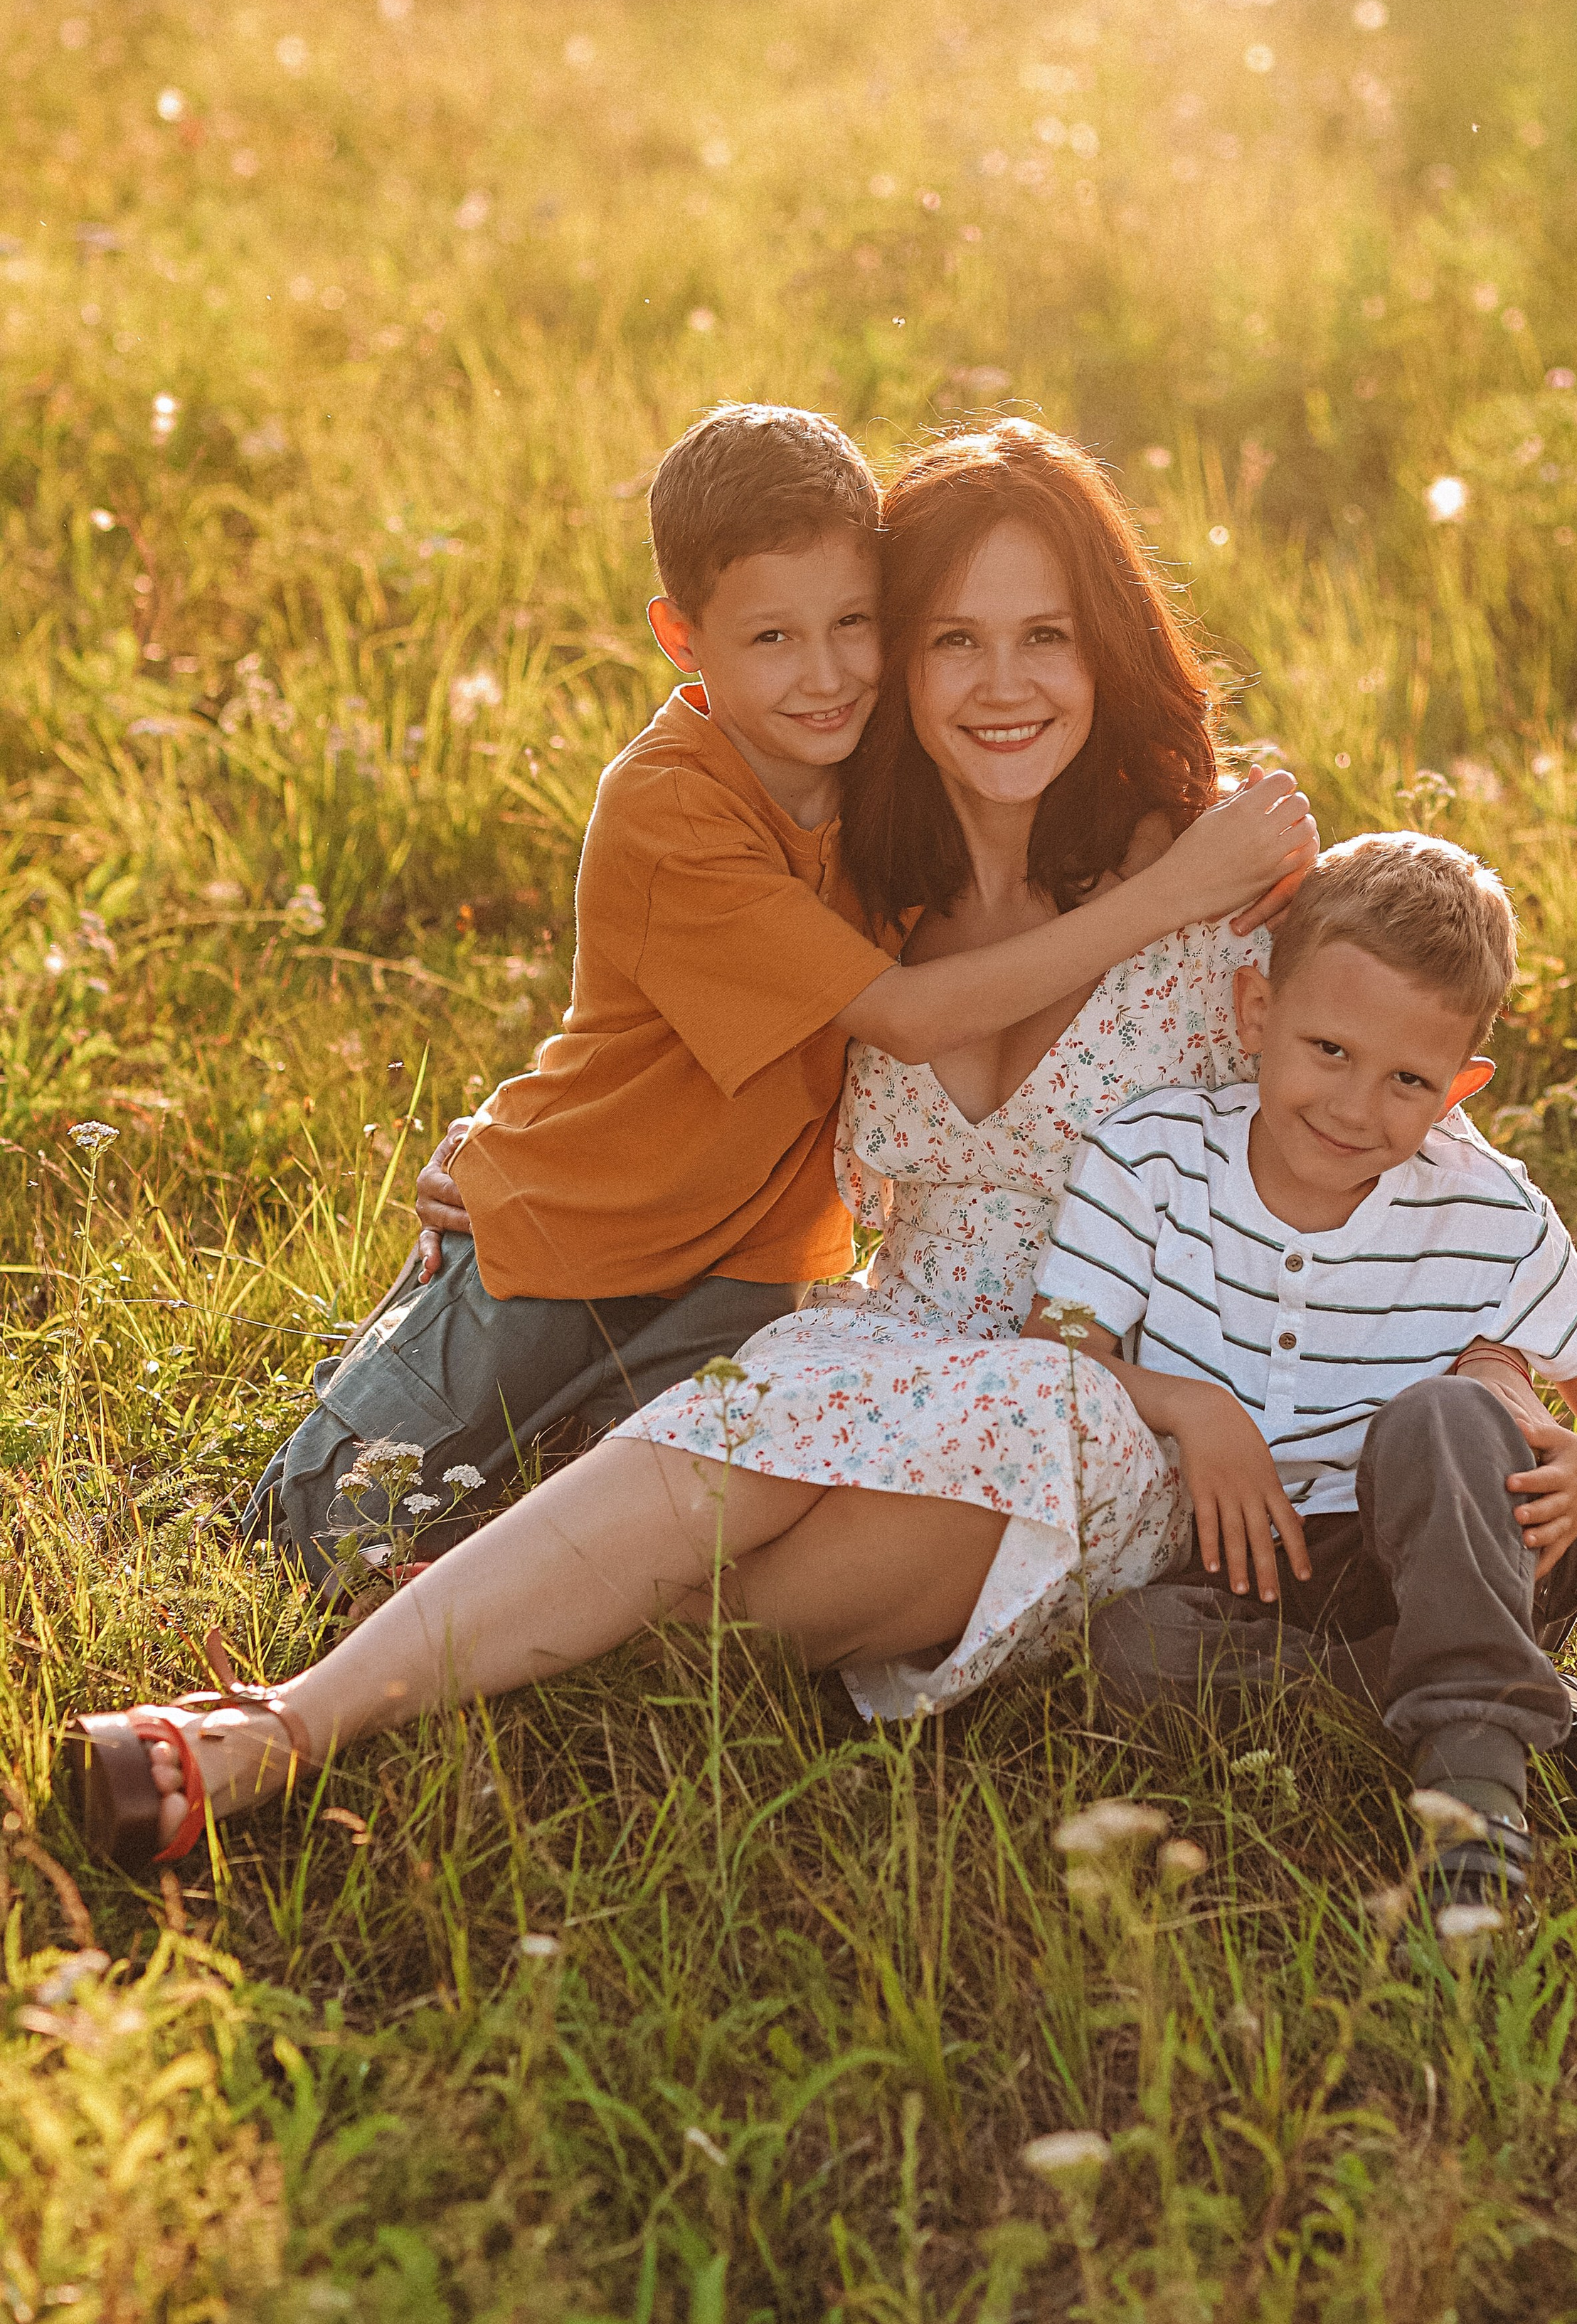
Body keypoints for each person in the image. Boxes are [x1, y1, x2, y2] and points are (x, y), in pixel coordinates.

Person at [69, 418, 1319, 1869]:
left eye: (1046, 635)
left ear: (1106, 646)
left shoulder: (1222, 869)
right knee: (749, 1405)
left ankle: (500, 1631)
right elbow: (676, 1009)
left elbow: (1385, 1116)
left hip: (1110, 1398)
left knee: (1029, 1418)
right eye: (952, 641)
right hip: (878, 1342)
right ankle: (274, 1728)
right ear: (905, 658)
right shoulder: (867, 861)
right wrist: (510, 1134)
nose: (1001, 684)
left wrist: (1487, 1379)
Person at [244, 403, 1312, 1593]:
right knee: (324, 1526)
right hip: (577, 1230)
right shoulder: (677, 809)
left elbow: (1048, 751)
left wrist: (1267, 845)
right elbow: (906, 1015)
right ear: (682, 635)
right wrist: (1176, 891)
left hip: (753, 1270)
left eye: (855, 624)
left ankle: (506, 1537)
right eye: (773, 639)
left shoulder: (881, 773)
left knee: (655, 1530)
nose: (827, 675)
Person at [1024, 829, 1577, 1915]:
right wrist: (1194, 1409)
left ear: (1458, 1087)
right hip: (1241, 1564)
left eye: (1408, 1079)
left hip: (1457, 1542)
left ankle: (1475, 1805)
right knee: (1126, 1654)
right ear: (1255, 1013)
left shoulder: (1490, 1210)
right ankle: (1525, 1715)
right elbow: (1058, 1348)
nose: (1356, 1107)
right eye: (1329, 1049)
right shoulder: (1152, 1157)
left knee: (1445, 1415)